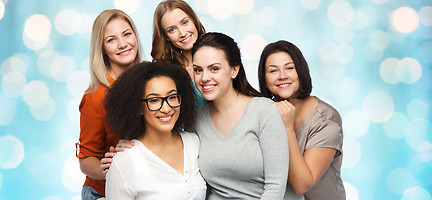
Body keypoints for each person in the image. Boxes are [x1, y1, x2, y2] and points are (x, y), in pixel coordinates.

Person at [192, 32, 289, 199]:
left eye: (214, 69)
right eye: (198, 70)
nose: (204, 78)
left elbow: (276, 186)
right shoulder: (196, 119)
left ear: (234, 70)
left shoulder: (263, 110)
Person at [104, 62, 206, 199]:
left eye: (172, 97)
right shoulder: (124, 162)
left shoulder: (194, 142)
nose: (166, 108)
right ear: (138, 107)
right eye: (154, 100)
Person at [257, 40, 346, 200]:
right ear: (264, 78)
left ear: (301, 71)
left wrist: (287, 128)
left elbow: (301, 185)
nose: (282, 76)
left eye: (289, 68)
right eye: (273, 71)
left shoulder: (326, 120)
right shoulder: (264, 112)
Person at [75, 9, 143, 199]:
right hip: (103, 193)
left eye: (127, 34)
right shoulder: (96, 96)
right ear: (102, 48)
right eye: (111, 39)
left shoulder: (152, 78)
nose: (123, 44)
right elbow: (86, 160)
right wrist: (112, 168)